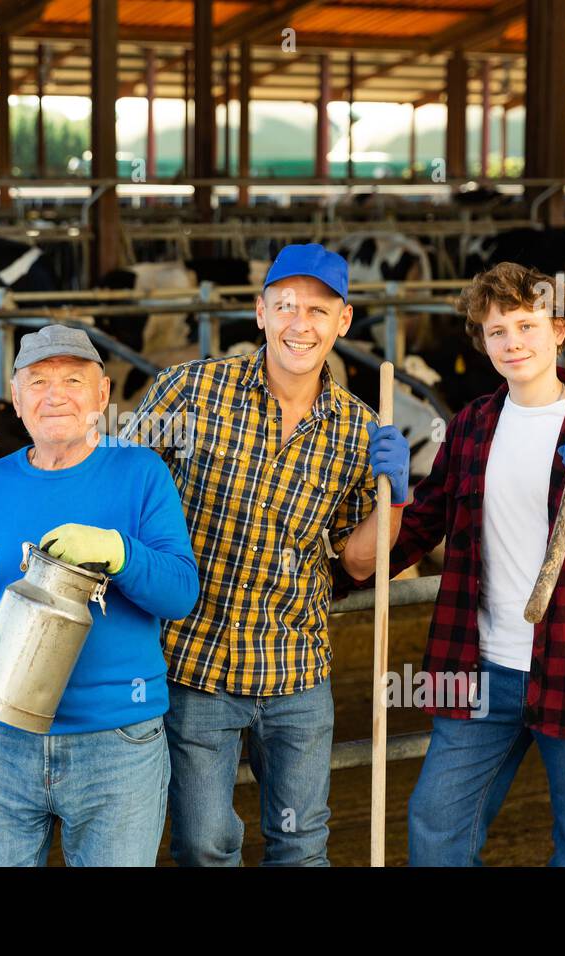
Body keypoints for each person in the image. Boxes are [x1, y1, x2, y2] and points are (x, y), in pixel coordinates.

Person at [349, 261, 565, 866]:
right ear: (483, 342)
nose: (513, 342)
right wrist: (393, 498)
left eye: (526, 325)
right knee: (436, 830)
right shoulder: (469, 429)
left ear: (560, 328)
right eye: (496, 331)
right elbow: (408, 540)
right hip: (478, 672)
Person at [122, 243, 411, 866]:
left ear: (343, 321)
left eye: (316, 309)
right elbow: (121, 491)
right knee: (203, 844)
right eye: (284, 306)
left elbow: (361, 564)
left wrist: (396, 499)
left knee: (302, 846)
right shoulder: (189, 390)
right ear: (260, 313)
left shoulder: (360, 430)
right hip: (195, 662)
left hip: (297, 669)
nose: (298, 324)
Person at [0, 324, 199, 867]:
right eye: (39, 381)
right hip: (1, 739)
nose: (56, 394)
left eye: (75, 379)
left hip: (117, 741)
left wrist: (120, 552)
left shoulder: (141, 474)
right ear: (16, 397)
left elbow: (179, 592)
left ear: (102, 396)